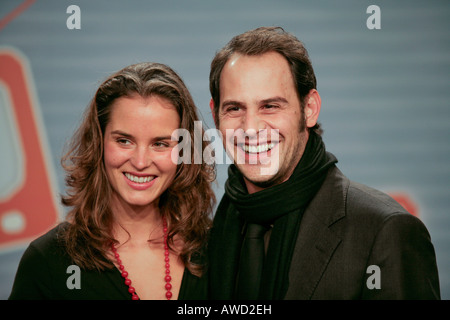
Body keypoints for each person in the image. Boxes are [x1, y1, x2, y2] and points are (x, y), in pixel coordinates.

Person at [207, 26, 440, 300]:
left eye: (270, 106)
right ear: (215, 115)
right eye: (235, 108)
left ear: (310, 109)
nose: (250, 128)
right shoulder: (205, 241)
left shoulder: (385, 231)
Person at [9, 62, 215, 300]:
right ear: (99, 144)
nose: (140, 162)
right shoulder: (49, 260)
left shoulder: (218, 250)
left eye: (160, 144)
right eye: (124, 141)